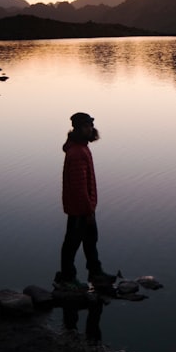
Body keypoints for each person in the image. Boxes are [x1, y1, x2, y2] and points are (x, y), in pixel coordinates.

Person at [54, 112, 114, 290]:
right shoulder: (77, 152)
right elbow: (79, 187)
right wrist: (88, 211)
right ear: (78, 129)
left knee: (90, 241)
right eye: (87, 126)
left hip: (84, 207)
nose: (90, 129)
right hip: (79, 209)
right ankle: (67, 278)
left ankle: (95, 273)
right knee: (72, 244)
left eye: (90, 125)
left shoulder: (81, 147)